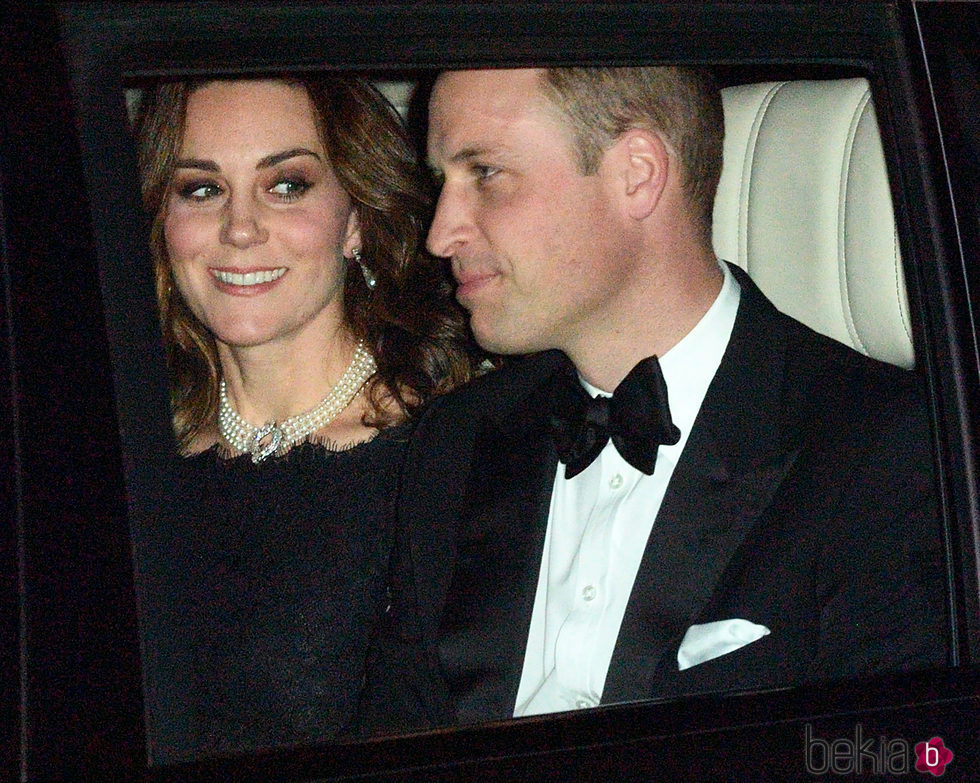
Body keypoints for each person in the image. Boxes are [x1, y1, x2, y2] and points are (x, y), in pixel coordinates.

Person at [359, 67, 948, 731]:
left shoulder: (887, 450)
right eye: (444, 184)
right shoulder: (461, 437)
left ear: (638, 174)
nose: (441, 235)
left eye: (487, 174)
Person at [133, 76, 478, 759]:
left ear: (355, 219)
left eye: (285, 184)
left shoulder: (444, 460)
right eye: (201, 189)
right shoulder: (129, 456)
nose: (239, 227)